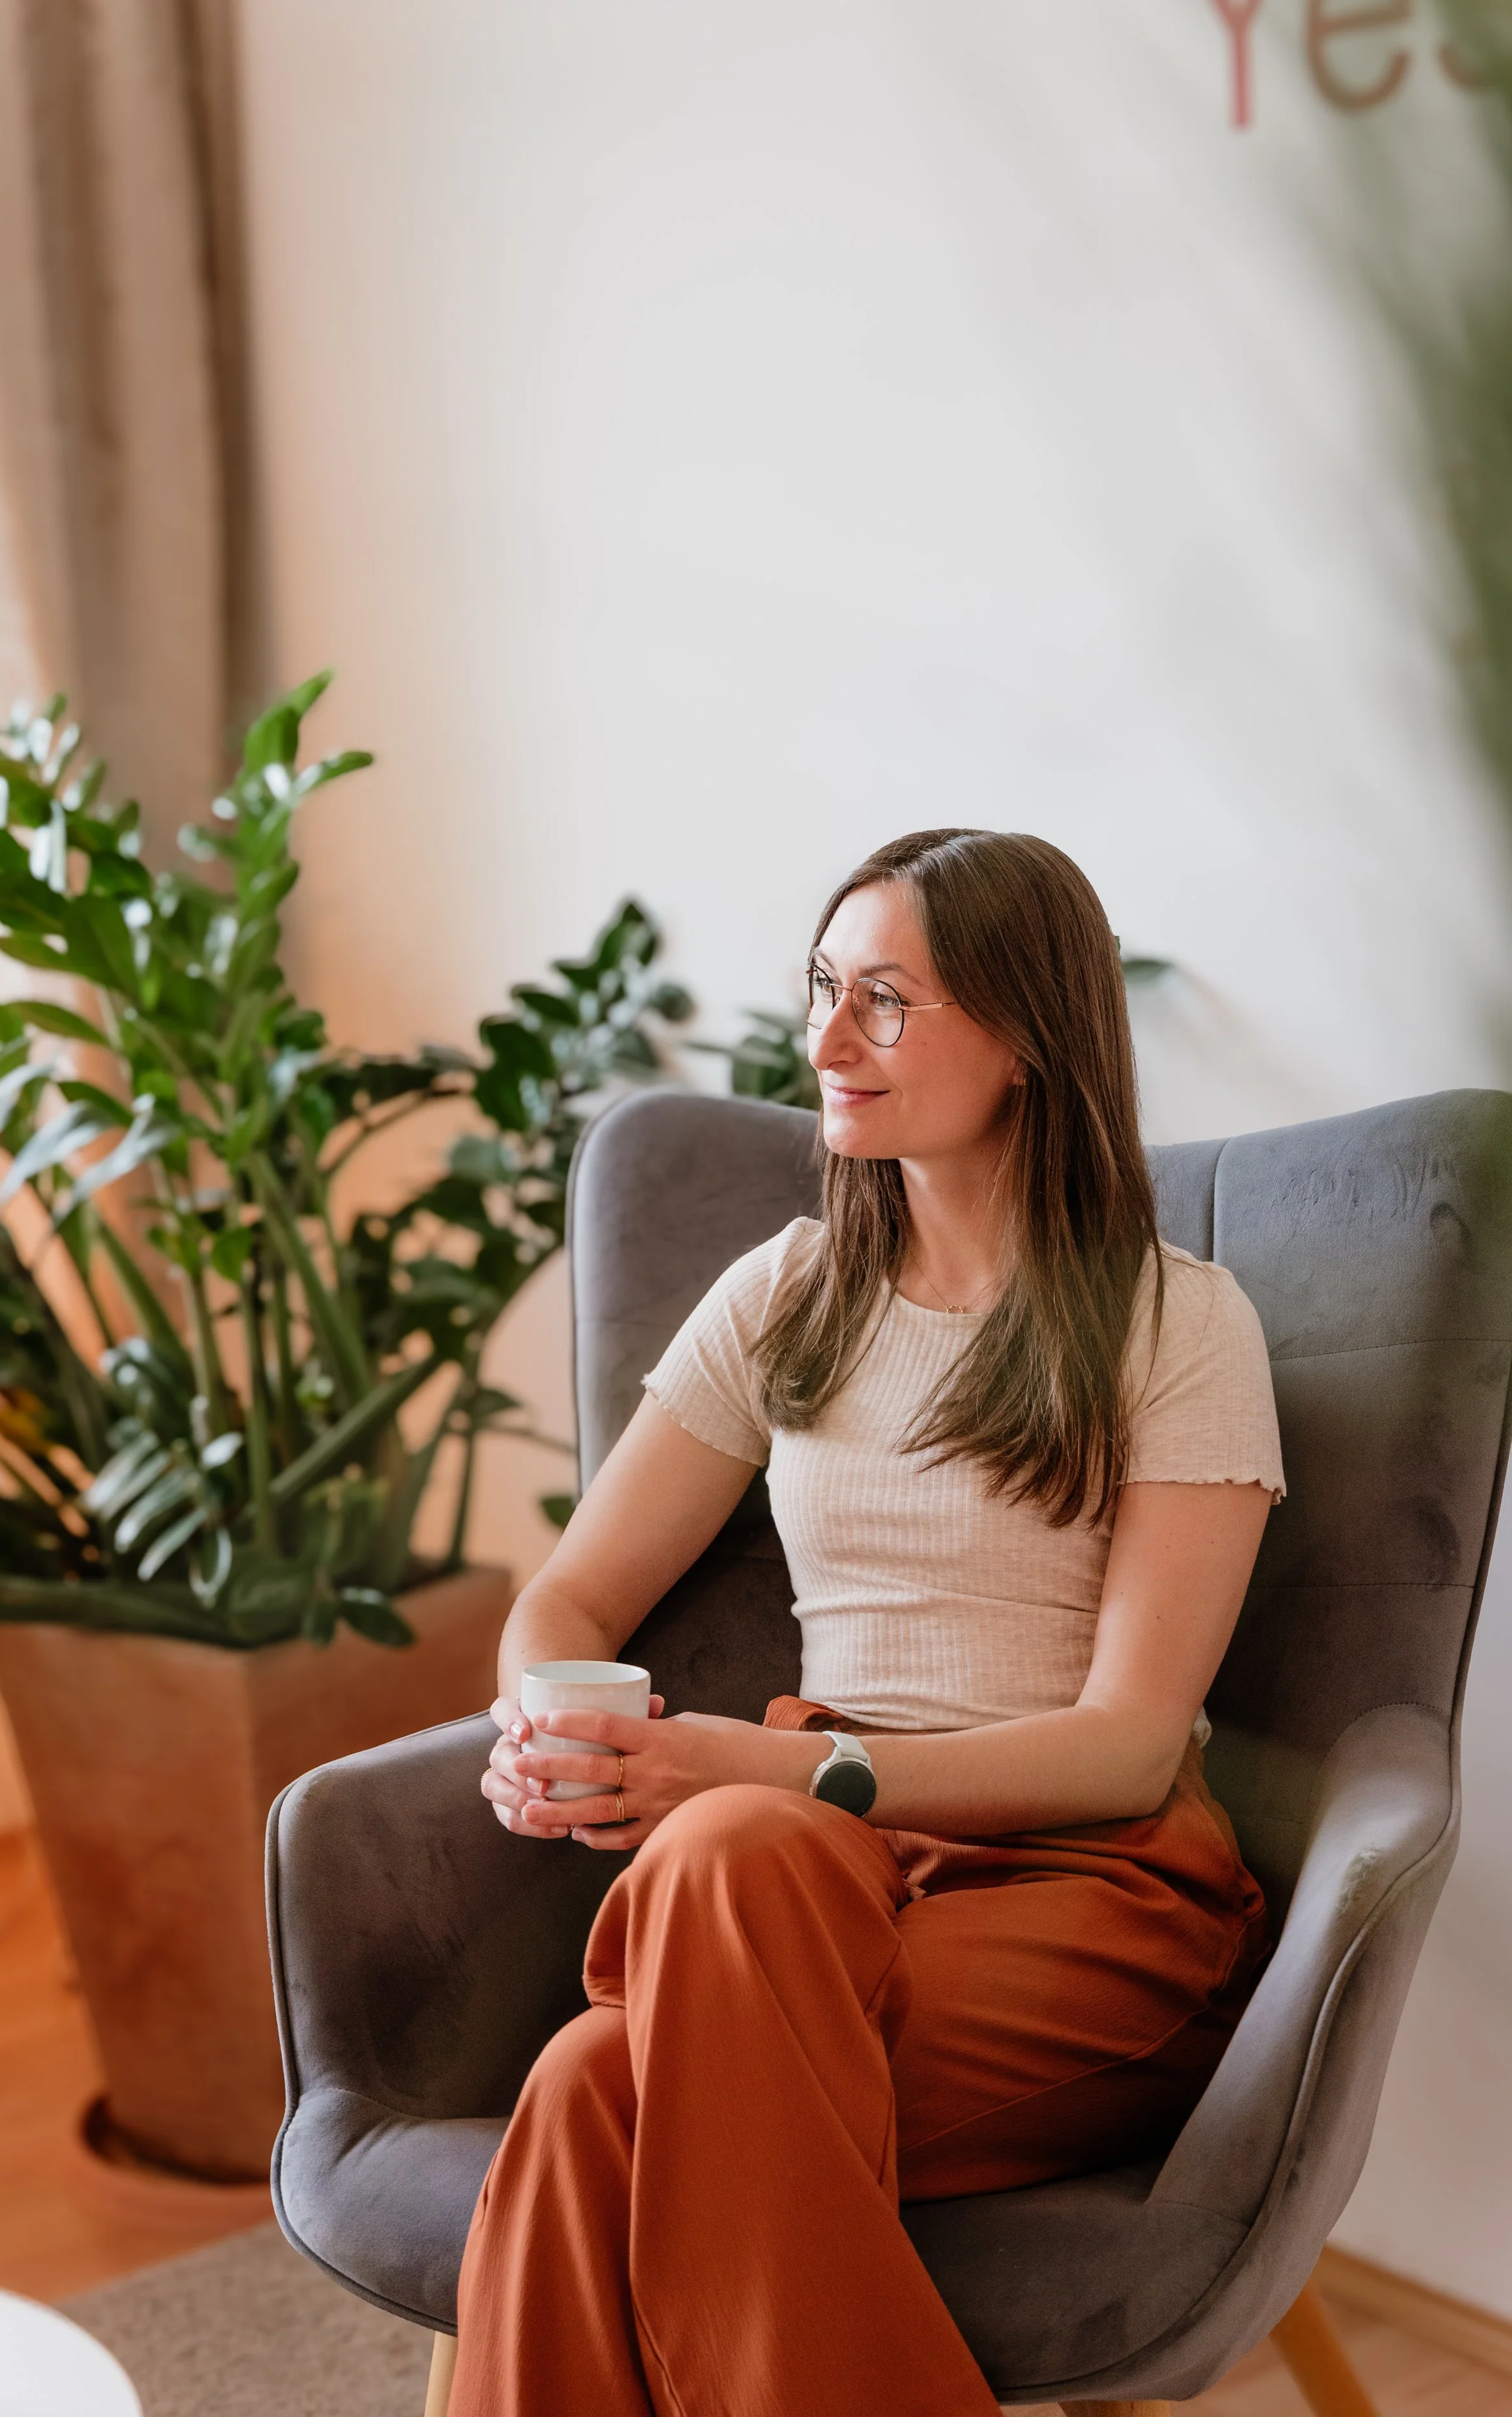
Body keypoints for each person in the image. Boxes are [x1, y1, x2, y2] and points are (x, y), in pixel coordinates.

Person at [455, 829, 1284, 2417]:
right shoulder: (787, 1293)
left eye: (885, 1002)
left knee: (593, 2078)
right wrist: (541, 1722)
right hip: (809, 1886)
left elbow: (1122, 1751)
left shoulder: (1179, 1323)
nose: (824, 1042)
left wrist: (762, 1780)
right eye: (824, 989)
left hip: (1081, 1892)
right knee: (715, 1890)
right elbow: (568, 1593)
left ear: (1028, 1035)